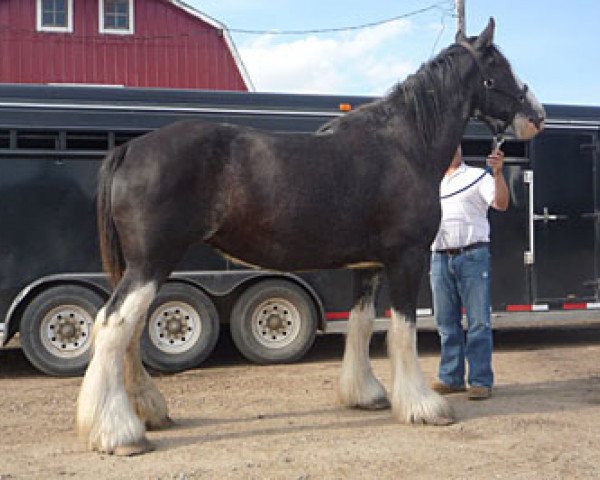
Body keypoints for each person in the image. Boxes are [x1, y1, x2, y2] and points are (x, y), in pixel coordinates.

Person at [430, 144, 508, 400]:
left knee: (478, 322)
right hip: (440, 257)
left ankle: (480, 380)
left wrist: (497, 174)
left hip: (472, 255)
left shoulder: (478, 176)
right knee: (445, 322)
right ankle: (451, 378)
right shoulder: (431, 181)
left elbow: (501, 203)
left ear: (460, 149)